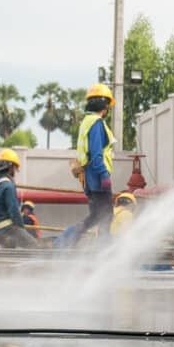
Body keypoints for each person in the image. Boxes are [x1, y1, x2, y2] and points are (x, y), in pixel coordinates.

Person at [64, 83, 116, 247]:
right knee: (107, 214)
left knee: (96, 215)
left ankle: (72, 236)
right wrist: (104, 176)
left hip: (89, 178)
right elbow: (96, 154)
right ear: (105, 105)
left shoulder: (86, 122)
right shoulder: (96, 123)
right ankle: (104, 248)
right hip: (98, 178)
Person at [0, 148, 39, 249]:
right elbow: (13, 211)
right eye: (15, 168)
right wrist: (22, 229)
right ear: (10, 167)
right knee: (34, 246)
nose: (15, 171)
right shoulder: (8, 185)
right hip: (10, 229)